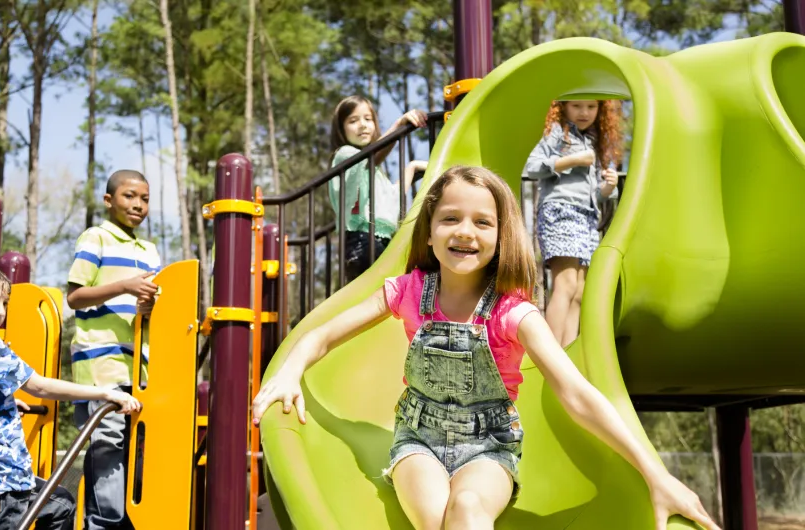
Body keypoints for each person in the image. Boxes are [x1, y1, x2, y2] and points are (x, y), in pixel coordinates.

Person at [252, 166, 718, 530]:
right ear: (429, 231)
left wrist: (656, 474)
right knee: (438, 517)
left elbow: (578, 394)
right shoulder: (408, 291)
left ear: (500, 237)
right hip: (419, 442)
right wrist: (292, 370)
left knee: (471, 506)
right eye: (449, 218)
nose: (465, 232)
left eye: (482, 222)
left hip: (489, 448)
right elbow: (322, 334)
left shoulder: (515, 315)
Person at [0, 260, 141, 530]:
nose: (0, 312)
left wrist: (0, 401)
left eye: (4, 304)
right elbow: (39, 386)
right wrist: (106, 392)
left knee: (60, 505)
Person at [66, 169, 161, 530]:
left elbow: (148, 305)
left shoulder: (148, 251)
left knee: (135, 448)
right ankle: (103, 524)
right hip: (100, 363)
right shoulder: (96, 238)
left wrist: (147, 305)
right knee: (107, 442)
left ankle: (127, 520)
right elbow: (75, 296)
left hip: (139, 365)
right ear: (109, 201)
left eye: (145, 199)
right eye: (129, 196)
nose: (138, 205)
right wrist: (123, 286)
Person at [523, 99, 622, 346]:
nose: (584, 112)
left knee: (579, 291)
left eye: (591, 107)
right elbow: (532, 167)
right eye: (576, 106)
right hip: (560, 209)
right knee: (565, 283)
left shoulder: (593, 142)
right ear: (563, 107)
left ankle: (566, 353)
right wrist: (572, 160)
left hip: (587, 217)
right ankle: (550, 354)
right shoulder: (558, 133)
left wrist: (609, 186)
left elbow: (597, 195)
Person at [329, 95, 429, 282]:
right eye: (353, 120)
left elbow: (392, 195)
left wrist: (412, 167)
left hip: (378, 240)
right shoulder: (345, 156)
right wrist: (399, 125)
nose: (363, 125)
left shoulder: (372, 172)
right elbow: (372, 155)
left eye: (368, 119)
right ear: (341, 129)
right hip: (361, 241)